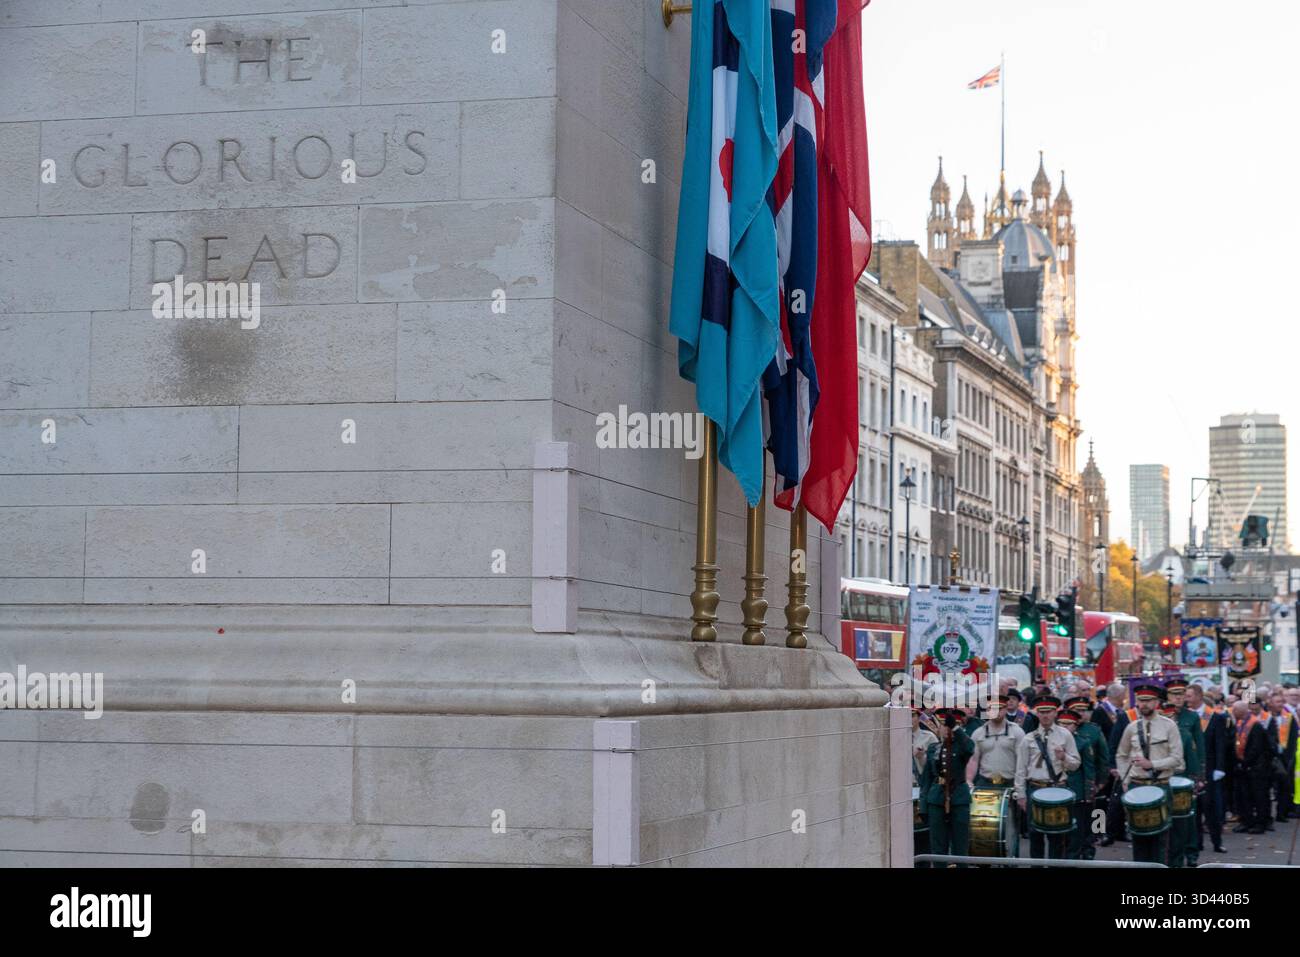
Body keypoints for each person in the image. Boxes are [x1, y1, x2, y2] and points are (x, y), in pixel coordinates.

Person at [1115, 682, 1184, 864]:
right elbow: (1121, 755)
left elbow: (1177, 758)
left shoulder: (1169, 726)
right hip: (1137, 785)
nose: (1144, 704)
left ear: (1156, 702)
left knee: (1162, 838)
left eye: (1148, 700)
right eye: (1140, 700)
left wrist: (1152, 764)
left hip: (1160, 785)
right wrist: (1124, 778)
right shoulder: (1131, 727)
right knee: (1138, 837)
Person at [1014, 695, 1081, 860]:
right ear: (1037, 713)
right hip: (1035, 788)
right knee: (1035, 835)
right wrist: (1021, 794)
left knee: (1057, 836)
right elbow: (1021, 769)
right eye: (1042, 712)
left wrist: (1064, 757)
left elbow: (1076, 764)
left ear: (1055, 713)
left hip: (1058, 788)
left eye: (1049, 711)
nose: (1045, 715)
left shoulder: (1065, 735)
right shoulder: (1028, 739)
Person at [919, 709, 975, 862]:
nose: (947, 728)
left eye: (950, 725)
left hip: (959, 799)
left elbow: (970, 748)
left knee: (960, 847)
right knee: (938, 848)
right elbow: (926, 780)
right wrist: (923, 806)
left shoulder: (962, 746)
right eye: (944, 725)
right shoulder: (933, 748)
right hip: (936, 799)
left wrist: (956, 729)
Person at [1164, 678, 1205, 866]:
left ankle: (1192, 852)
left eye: (1181, 694)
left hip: (1185, 773)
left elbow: (1199, 747)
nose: (1178, 698)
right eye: (1174, 694)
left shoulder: (1192, 717)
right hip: (1164, 773)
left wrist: (1199, 777)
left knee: (1189, 815)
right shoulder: (1161, 715)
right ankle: (1171, 854)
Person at [1066, 694, 1108, 860]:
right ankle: (1073, 851)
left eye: (1084, 710)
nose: (1082, 714)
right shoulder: (1065, 728)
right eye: (1077, 710)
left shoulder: (1094, 730)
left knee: (1095, 817)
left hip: (1091, 783)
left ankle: (1090, 849)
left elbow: (1103, 758)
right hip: (1071, 783)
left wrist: (1101, 782)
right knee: (1074, 823)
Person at [1188, 683, 1229, 854]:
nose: (1186, 699)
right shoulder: (1185, 716)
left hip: (1210, 769)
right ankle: (1197, 842)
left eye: (1189, 696)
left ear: (1198, 696)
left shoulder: (1215, 717)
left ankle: (1217, 842)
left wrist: (1220, 767)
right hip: (1191, 769)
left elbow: (1221, 744)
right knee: (1194, 809)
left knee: (1212, 809)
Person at [1056, 709, 1093, 859]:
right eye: (1061, 724)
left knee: (1077, 829)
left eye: (1068, 724)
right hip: (1056, 789)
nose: (1064, 727)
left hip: (1076, 791)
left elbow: (1088, 770)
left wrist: (1088, 793)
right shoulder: (1052, 739)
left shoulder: (1083, 743)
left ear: (1075, 725)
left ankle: (1075, 857)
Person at [1230, 700, 1271, 835]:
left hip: (1256, 768)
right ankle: (1247, 821)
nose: (1232, 712)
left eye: (1234, 710)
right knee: (1244, 796)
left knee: (1259, 796)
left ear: (1241, 710)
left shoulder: (1255, 725)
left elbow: (1257, 748)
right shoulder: (1240, 723)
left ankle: (1261, 823)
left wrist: (1245, 762)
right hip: (1243, 767)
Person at [969, 694, 1024, 788]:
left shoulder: (1017, 732)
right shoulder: (978, 733)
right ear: (987, 710)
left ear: (1006, 709)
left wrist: (1019, 785)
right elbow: (973, 760)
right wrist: (968, 780)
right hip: (985, 783)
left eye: (999, 708)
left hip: (1010, 783)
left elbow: (1022, 761)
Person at [1262, 692, 1297, 822]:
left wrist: (1289, 756)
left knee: (1284, 786)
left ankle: (1282, 813)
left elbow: (1293, 738)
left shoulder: (1288, 718)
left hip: (1284, 757)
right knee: (1267, 787)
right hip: (1268, 757)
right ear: (1270, 703)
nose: (1280, 705)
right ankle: (1267, 816)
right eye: (1277, 702)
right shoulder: (1264, 717)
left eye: (1282, 702)